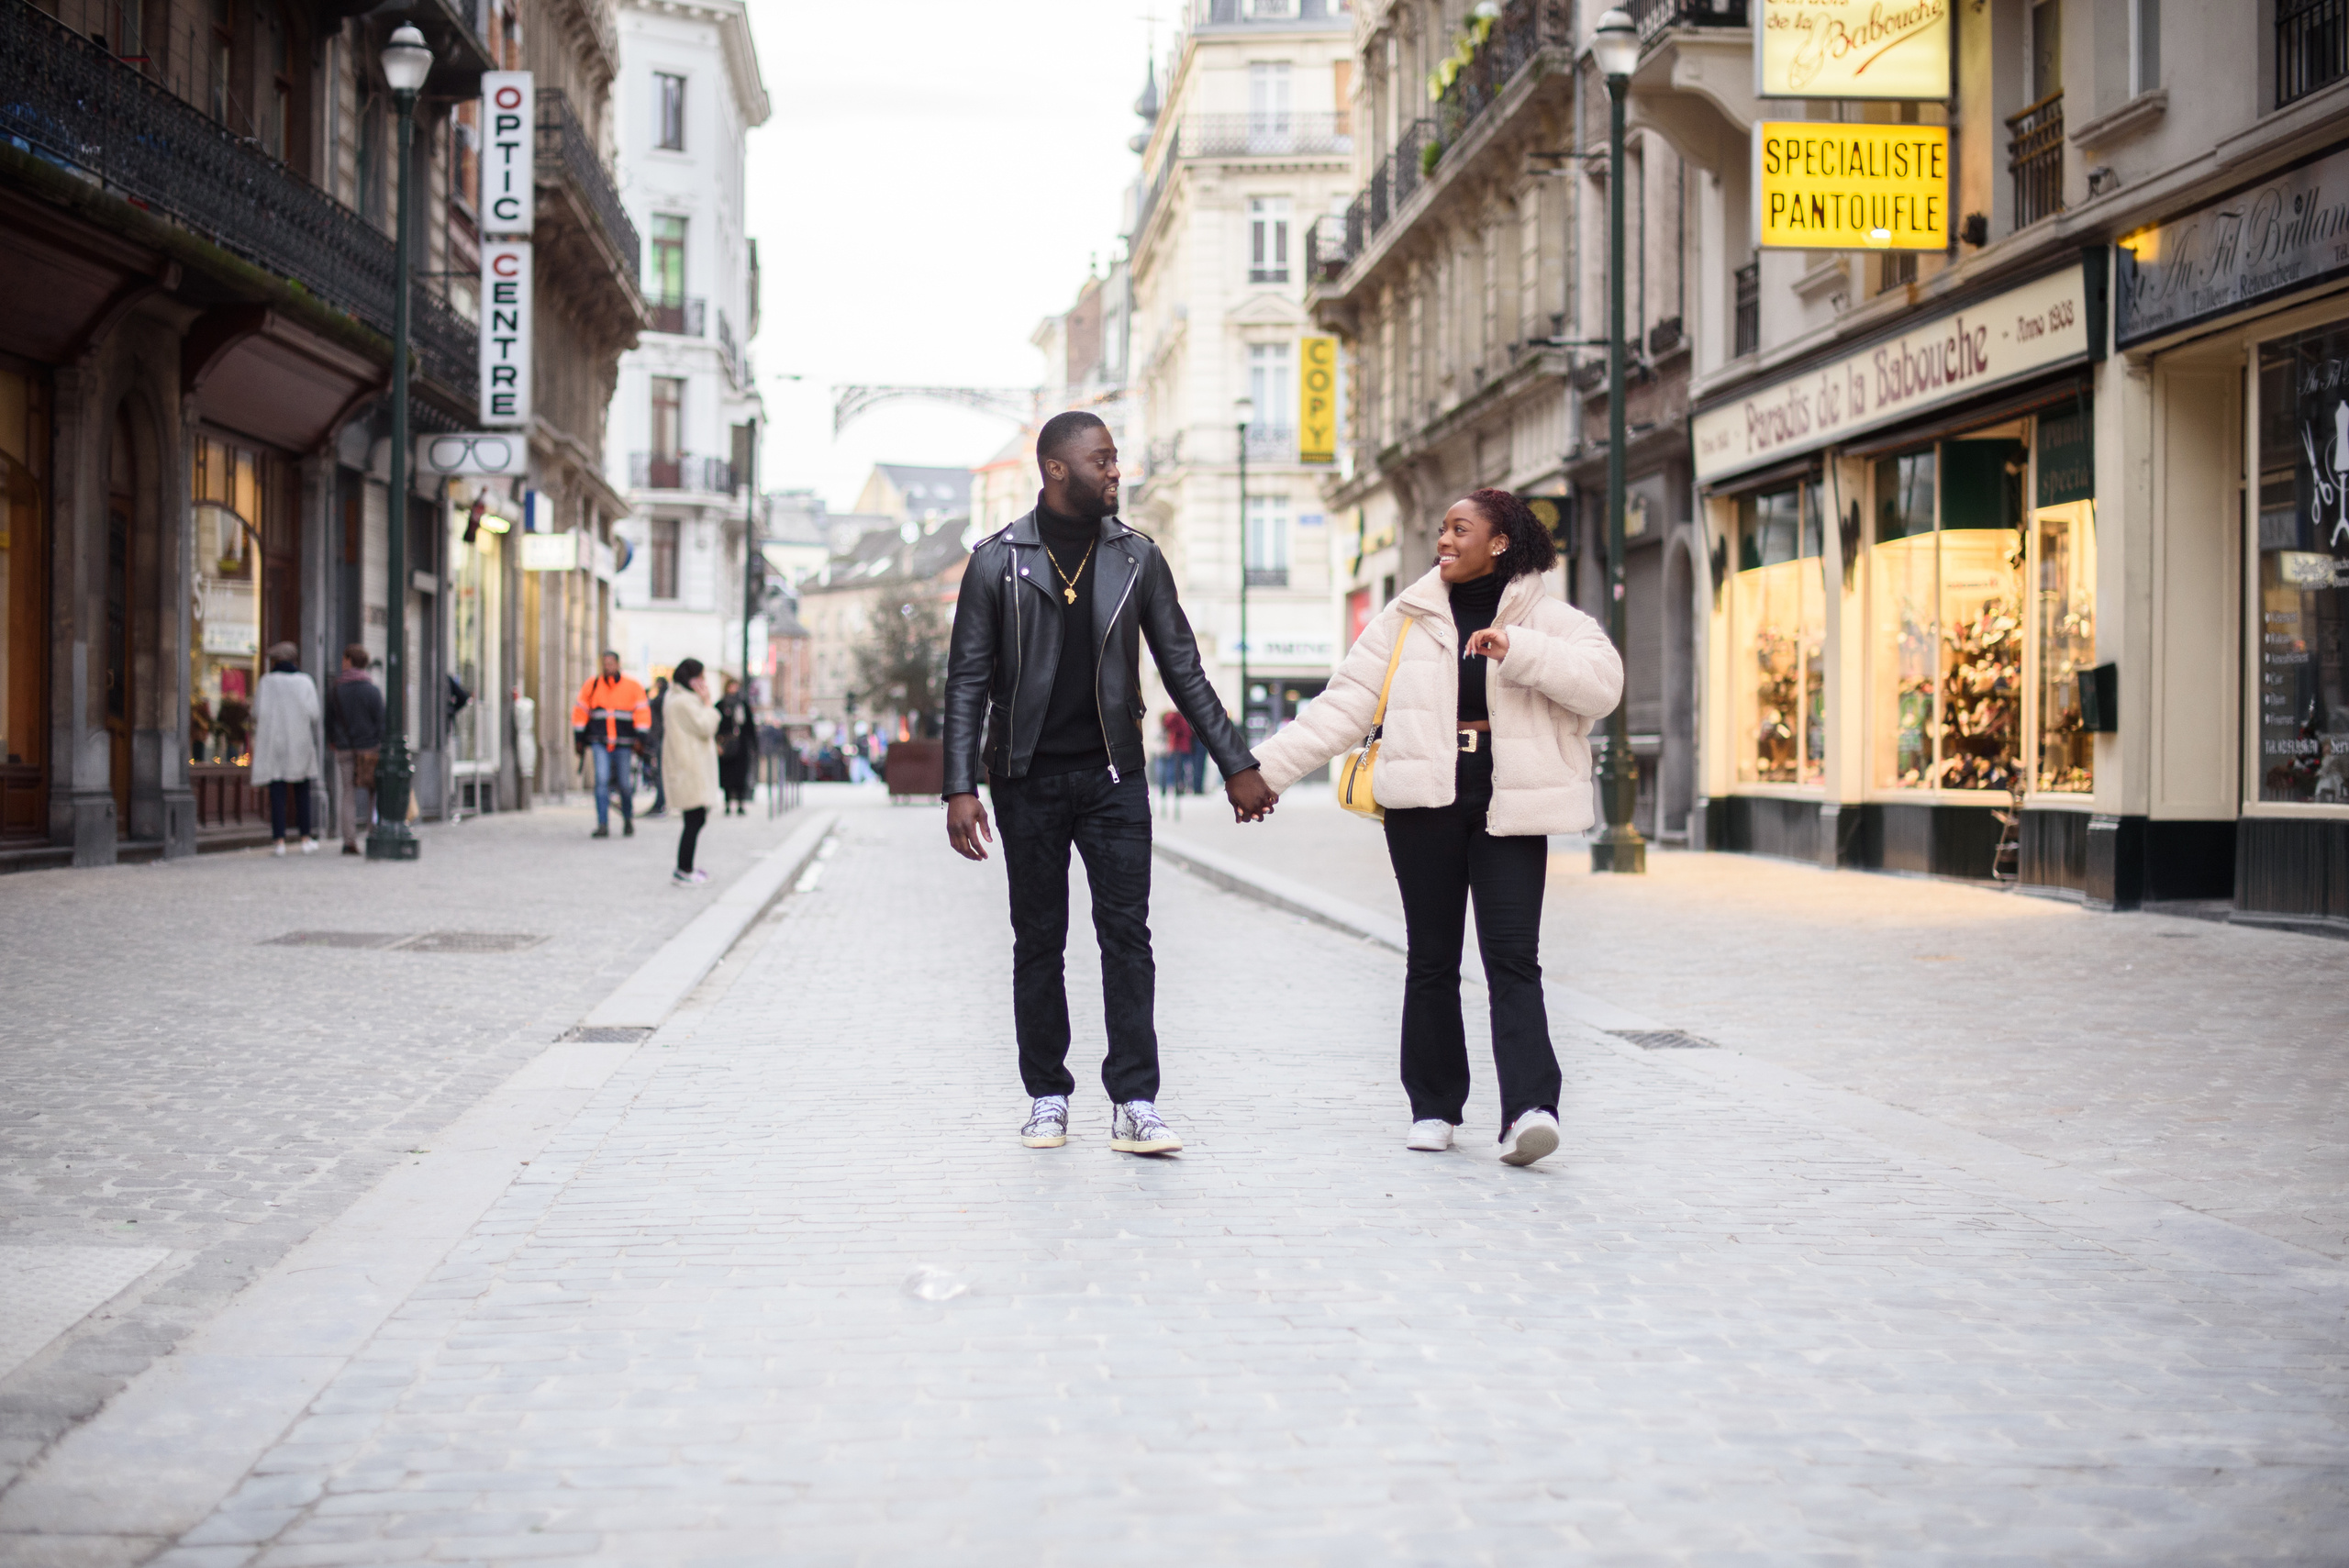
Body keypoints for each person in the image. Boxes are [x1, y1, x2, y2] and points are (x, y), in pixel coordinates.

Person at [1245, 490, 1622, 1167]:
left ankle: (1530, 1109)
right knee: (1432, 957)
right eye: (1442, 528)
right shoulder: (1407, 615)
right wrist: (1264, 772)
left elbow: (1602, 685)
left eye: (1460, 528)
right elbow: (1344, 706)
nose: (1444, 539)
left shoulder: (1551, 618)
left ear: (1500, 541)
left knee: (1512, 958)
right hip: (1424, 802)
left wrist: (1521, 650)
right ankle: (1434, 1106)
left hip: (1511, 803)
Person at [941, 409, 1277, 1156]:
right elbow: (966, 680)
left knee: (1128, 935)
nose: (1116, 471)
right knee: (1040, 940)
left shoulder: (1138, 558)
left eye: (1115, 459)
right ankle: (1047, 1096)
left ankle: (1135, 1100)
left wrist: (1237, 764)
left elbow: (1182, 666)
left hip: (1114, 777)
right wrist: (959, 784)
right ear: (1057, 470)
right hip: (1024, 778)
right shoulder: (997, 561)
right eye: (1102, 461)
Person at [251, 640, 323, 857]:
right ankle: (305, 838)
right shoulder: (304, 682)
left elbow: (256, 713)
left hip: (274, 743)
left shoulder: (266, 682)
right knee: (302, 791)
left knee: (277, 793)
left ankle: (279, 841)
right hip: (298, 742)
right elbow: (314, 714)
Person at [572, 651, 651, 839]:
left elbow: (642, 713)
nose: (607, 667)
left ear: (617, 664)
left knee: (624, 784)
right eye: (604, 663)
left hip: (624, 743)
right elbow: (580, 712)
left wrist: (641, 738)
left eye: (610, 663)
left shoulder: (632, 686)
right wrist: (579, 739)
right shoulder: (592, 685)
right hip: (600, 742)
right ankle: (602, 824)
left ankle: (627, 818)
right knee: (601, 781)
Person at [661, 658, 719, 886]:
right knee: (694, 820)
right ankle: (683, 870)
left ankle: (687, 867)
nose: (704, 683)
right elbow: (706, 727)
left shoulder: (676, 698)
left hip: (687, 766)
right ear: (692, 679)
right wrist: (707, 703)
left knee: (694, 819)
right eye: (702, 678)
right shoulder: (684, 703)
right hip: (690, 768)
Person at [323, 644, 384, 856]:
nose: (342, 662)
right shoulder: (373, 690)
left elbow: (329, 721)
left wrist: (333, 740)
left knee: (347, 793)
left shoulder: (336, 690)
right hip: (370, 749)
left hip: (345, 748)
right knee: (373, 793)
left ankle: (349, 841)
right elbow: (380, 721)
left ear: (349, 660)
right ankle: (373, 833)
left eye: (344, 658)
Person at [715, 676, 756, 815]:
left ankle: (740, 803)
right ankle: (727, 804)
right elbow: (716, 726)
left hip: (741, 747)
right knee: (727, 776)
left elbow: (750, 726)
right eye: (731, 686)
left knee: (741, 776)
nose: (734, 689)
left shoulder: (743, 705)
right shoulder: (721, 705)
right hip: (726, 746)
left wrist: (754, 745)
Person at [643, 674, 670, 818]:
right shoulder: (666, 698)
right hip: (661, 738)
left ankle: (660, 803)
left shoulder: (660, 699)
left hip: (660, 739)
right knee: (660, 773)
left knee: (660, 773)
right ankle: (661, 802)